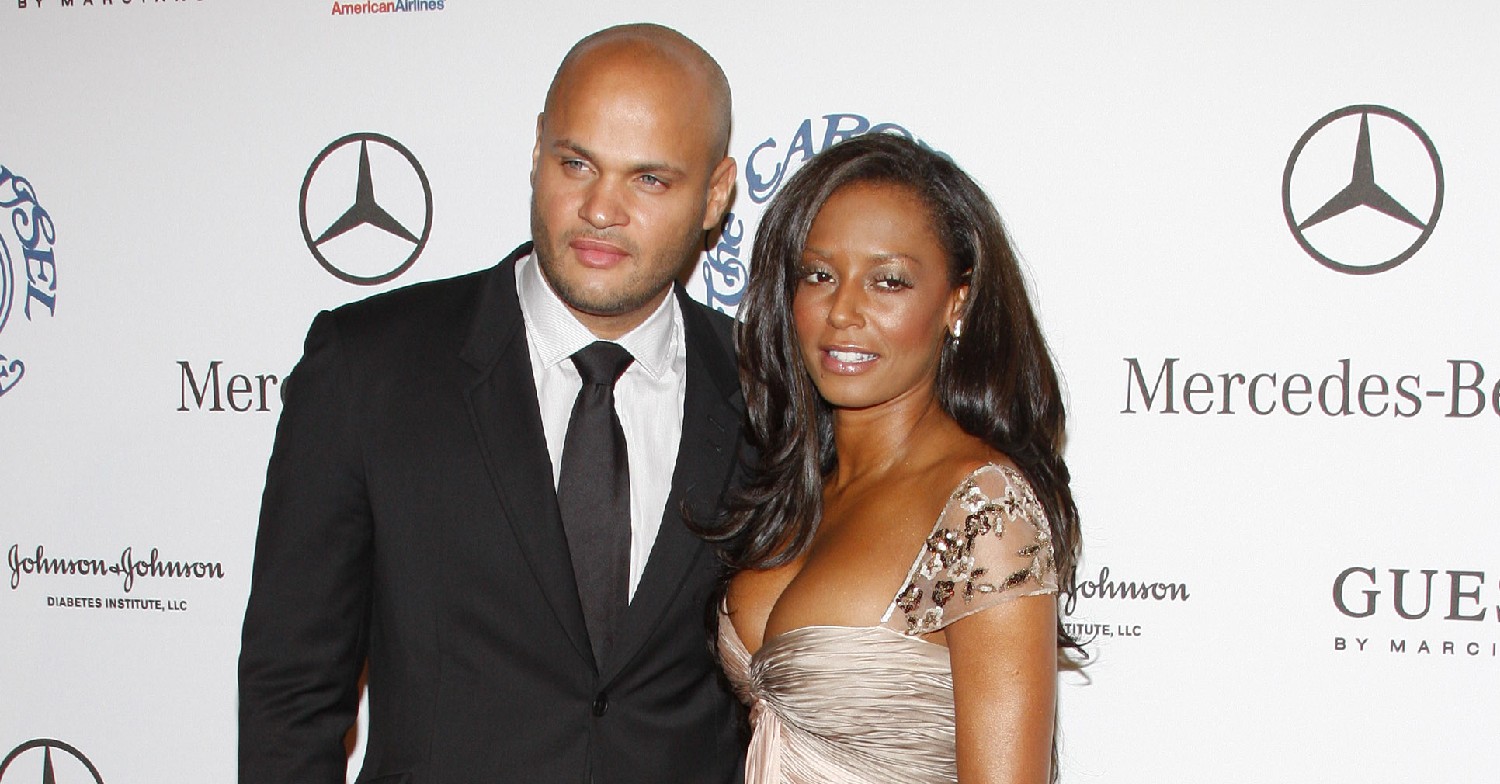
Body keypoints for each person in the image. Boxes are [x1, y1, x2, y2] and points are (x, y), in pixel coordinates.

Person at [238, 24, 747, 784]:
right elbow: (291, 692)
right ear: (538, 149)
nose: (600, 209)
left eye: (649, 180)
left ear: (715, 194)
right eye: (576, 163)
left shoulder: (769, 392)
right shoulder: (370, 368)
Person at [711, 132, 1082, 784]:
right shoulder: (801, 490)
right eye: (819, 275)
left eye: (888, 282)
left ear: (957, 303)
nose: (844, 312)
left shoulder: (982, 506)